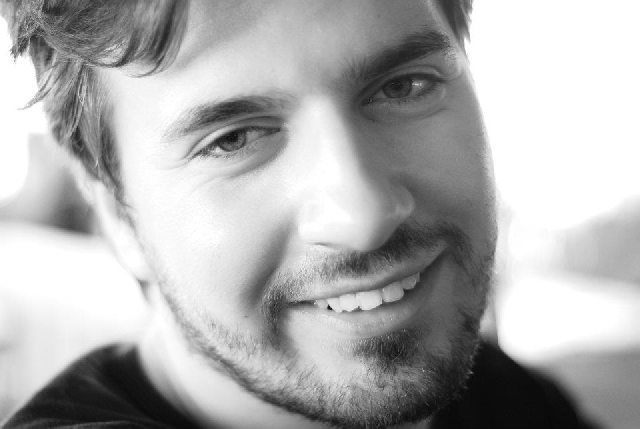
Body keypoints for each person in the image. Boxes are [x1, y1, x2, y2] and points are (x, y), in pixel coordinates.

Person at [1, 1, 596, 428]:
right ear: (117, 214)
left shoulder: (512, 398)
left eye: (405, 87)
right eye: (233, 140)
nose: (363, 215)